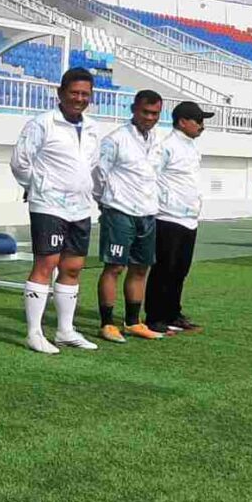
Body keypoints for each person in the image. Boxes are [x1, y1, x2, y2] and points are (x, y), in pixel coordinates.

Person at [10, 68, 102, 354]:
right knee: (46, 264)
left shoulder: (92, 127)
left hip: (80, 207)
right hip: (49, 206)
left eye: (85, 94)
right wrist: (39, 187)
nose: (79, 98)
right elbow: (20, 162)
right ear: (60, 93)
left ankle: (65, 330)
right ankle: (34, 333)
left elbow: (91, 164)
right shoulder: (42, 124)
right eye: (74, 93)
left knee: (72, 267)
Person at [93, 90, 165, 343]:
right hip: (119, 211)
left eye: (155, 113)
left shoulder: (157, 140)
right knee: (115, 267)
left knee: (140, 268)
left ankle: (133, 322)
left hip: (147, 213)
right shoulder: (115, 139)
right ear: (133, 109)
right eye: (145, 112)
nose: (150, 118)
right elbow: (98, 174)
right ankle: (107, 324)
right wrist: (106, 203)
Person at [145, 102, 211, 334]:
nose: (202, 126)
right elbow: (150, 175)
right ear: (182, 122)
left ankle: (173, 313)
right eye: (198, 121)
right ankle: (155, 317)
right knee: (164, 269)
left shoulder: (191, 146)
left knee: (181, 270)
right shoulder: (166, 145)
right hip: (168, 217)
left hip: (189, 217)